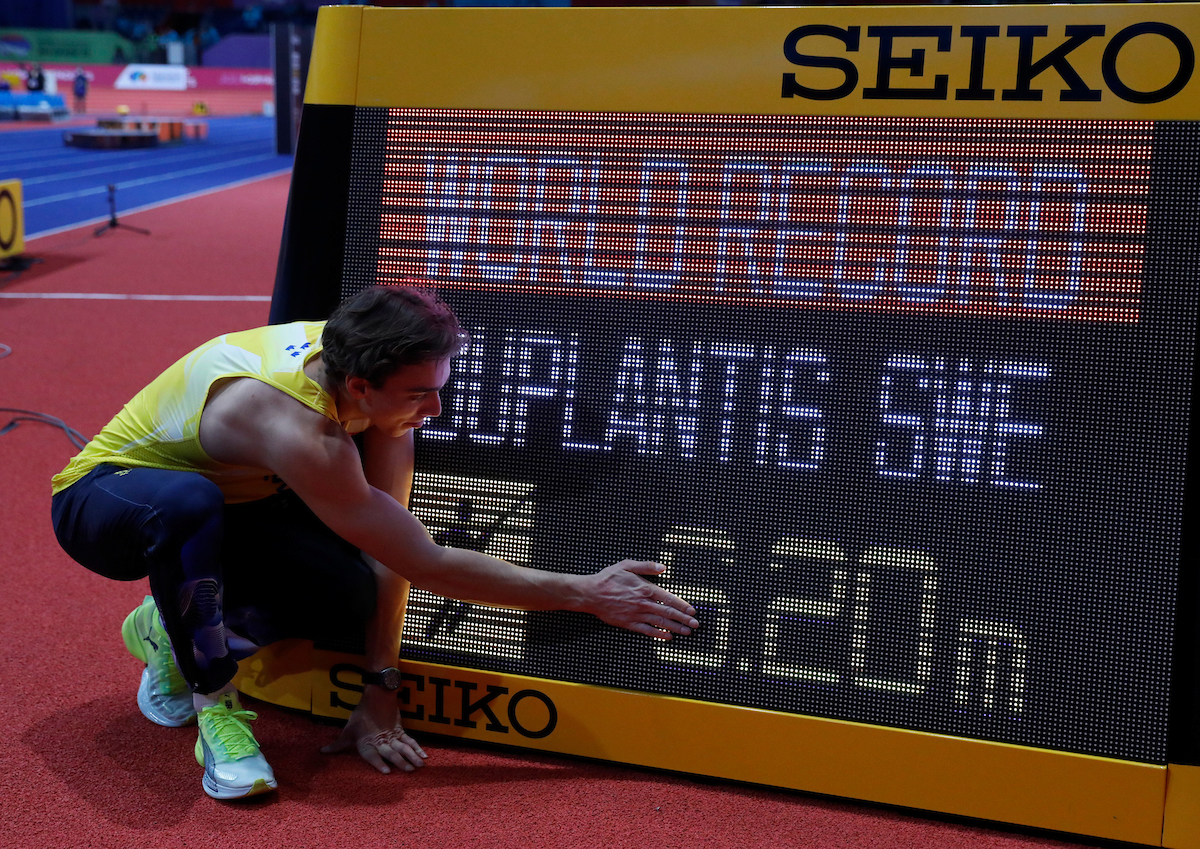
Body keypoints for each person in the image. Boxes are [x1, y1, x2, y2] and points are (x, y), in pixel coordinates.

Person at [50, 285, 698, 801]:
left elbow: (394, 550)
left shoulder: (371, 375)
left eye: (440, 388)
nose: (435, 411)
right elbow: (430, 563)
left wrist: (381, 686)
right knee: (187, 502)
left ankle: (167, 630)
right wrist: (587, 593)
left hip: (232, 507)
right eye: (421, 395)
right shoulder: (297, 426)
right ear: (361, 386)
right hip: (105, 502)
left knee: (348, 591)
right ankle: (216, 707)